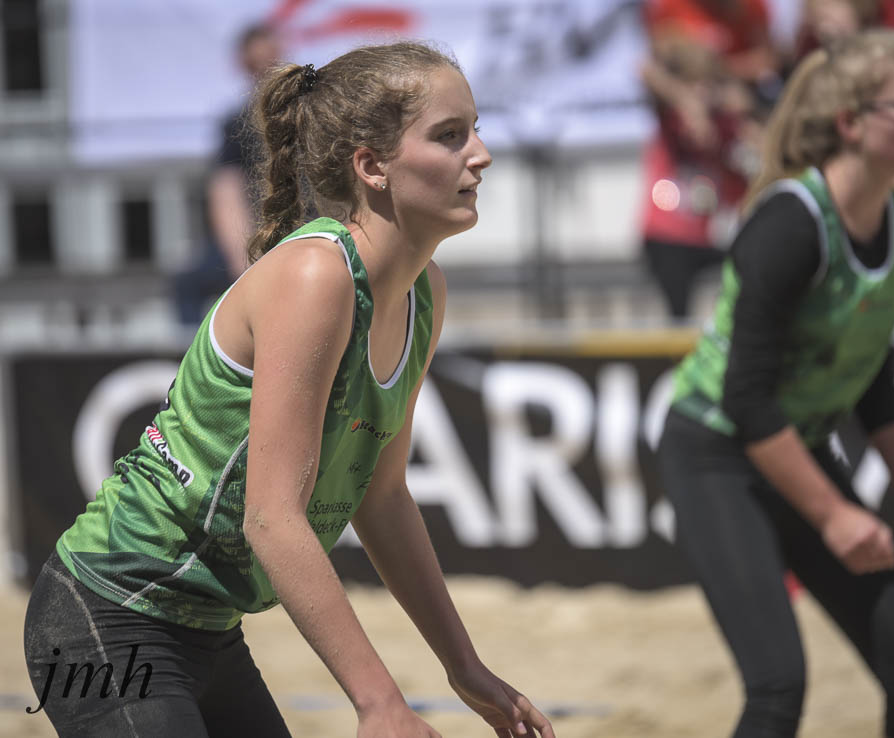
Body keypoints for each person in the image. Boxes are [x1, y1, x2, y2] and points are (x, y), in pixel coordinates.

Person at [24, 41, 554, 738]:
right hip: (101, 614)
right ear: (372, 166)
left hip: (208, 629)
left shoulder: (424, 293)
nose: (480, 154)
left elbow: (383, 497)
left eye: (475, 129)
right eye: (450, 135)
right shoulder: (316, 276)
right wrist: (378, 702)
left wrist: (464, 667)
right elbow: (272, 519)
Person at [658, 29, 894, 737]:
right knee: (777, 686)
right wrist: (833, 515)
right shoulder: (791, 222)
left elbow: (870, 372)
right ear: (851, 123)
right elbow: (746, 397)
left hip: (793, 444)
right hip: (716, 453)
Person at [639, 0, 779, 321]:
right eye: (695, 82)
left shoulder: (727, 120)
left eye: (707, 83)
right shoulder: (670, 111)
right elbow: (646, 71)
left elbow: (759, 152)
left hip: (716, 232)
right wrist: (687, 101)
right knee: (677, 319)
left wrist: (742, 117)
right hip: (669, 232)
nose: (701, 90)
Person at [174, 23, 282, 327]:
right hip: (253, 236)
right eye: (259, 64)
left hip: (301, 232)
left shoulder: (310, 113)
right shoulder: (238, 123)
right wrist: (242, 259)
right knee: (188, 283)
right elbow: (226, 191)